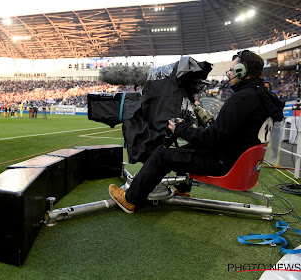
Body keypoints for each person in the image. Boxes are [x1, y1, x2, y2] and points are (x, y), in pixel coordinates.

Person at [109, 50, 284, 213]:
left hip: (226, 162)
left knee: (162, 155)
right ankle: (182, 190)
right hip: (242, 161)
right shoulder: (262, 95)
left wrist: (179, 129)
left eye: (232, 71)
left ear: (241, 71)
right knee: (190, 146)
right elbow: (232, 131)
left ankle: (130, 199)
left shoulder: (243, 98)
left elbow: (212, 138)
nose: (229, 75)